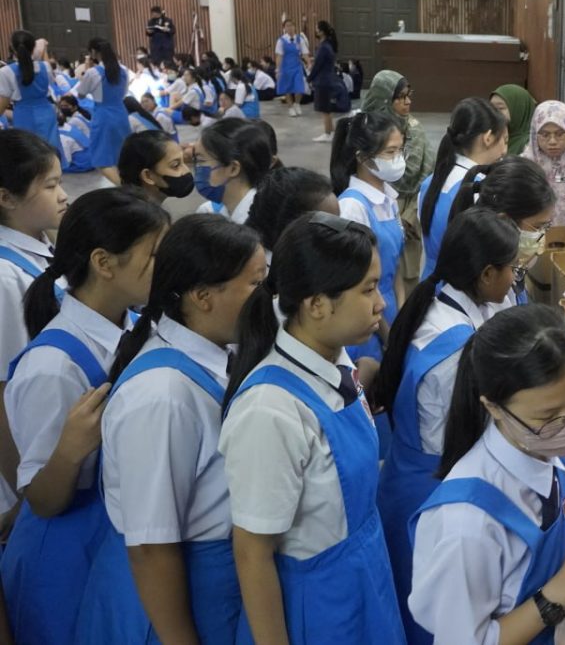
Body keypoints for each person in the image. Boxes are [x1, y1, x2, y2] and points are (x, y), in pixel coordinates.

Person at [76, 215, 265, 644]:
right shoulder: (162, 396)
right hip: (171, 602)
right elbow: (150, 547)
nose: (267, 297)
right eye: (255, 284)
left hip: (210, 581)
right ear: (202, 296)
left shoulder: (215, 356)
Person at [220, 211, 405, 644]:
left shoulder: (335, 358)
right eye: (368, 289)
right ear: (317, 304)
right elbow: (253, 554)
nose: (380, 304)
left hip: (365, 575)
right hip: (319, 608)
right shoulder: (270, 409)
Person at [2, 188, 169, 645]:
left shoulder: (139, 327)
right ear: (104, 262)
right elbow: (41, 500)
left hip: (111, 546)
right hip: (65, 561)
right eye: (156, 255)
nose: (168, 266)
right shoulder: (53, 366)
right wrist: (70, 450)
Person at [408, 304, 565, 644]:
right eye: (548, 417)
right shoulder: (467, 524)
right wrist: (564, 586)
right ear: (493, 407)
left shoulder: (552, 449)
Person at [372, 208, 521, 644]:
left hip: (409, 476)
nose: (514, 279)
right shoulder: (458, 349)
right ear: (487, 273)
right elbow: (475, 436)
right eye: (511, 269)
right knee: (437, 619)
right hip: (431, 491)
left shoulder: (438, 300)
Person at [0, 130, 66, 541]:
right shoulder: (6, 279)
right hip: (22, 470)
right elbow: (1, 392)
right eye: (51, 186)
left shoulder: (40, 246)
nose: (63, 195)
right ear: (6, 198)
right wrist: (23, 493)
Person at [330, 111, 406, 373]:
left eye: (400, 150)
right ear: (363, 157)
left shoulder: (389, 198)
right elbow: (356, 281)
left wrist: (401, 313)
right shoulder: (352, 207)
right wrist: (387, 334)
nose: (398, 159)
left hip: (389, 308)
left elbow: (395, 266)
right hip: (366, 317)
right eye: (390, 152)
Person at [360, 71, 434, 298]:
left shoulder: (413, 130)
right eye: (400, 97)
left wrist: (410, 215)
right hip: (371, 205)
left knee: (406, 278)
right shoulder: (362, 128)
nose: (408, 102)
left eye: (409, 95)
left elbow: (424, 176)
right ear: (384, 99)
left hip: (407, 210)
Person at [418, 97, 508, 281]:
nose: (505, 151)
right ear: (488, 138)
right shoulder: (481, 188)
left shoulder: (431, 182)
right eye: (504, 141)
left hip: (429, 282)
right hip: (463, 286)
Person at [451, 156, 557, 305]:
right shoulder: (491, 286)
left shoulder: (508, 272)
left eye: (546, 227)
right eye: (538, 227)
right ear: (504, 221)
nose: (541, 243)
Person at [244, 167, 340, 264]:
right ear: (288, 229)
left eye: (340, 222)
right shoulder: (263, 270)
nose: (342, 234)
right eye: (329, 229)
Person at [69, 38, 132, 185]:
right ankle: (127, 184)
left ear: (93, 52)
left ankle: (124, 187)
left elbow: (81, 94)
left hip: (103, 115)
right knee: (121, 154)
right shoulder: (124, 70)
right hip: (121, 114)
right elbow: (124, 93)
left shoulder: (93, 73)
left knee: (101, 159)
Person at [193, 117, 273, 224]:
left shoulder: (261, 224)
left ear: (233, 169)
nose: (196, 168)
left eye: (201, 161)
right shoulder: (209, 211)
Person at [0, 31, 64, 162]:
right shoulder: (45, 67)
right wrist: (44, 50)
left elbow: (3, 104)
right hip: (46, 113)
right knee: (50, 153)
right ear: (34, 47)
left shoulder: (6, 72)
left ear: (12, 48)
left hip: (24, 114)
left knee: (28, 156)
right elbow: (52, 80)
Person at [117, 130, 193, 205]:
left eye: (184, 161)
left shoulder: (139, 206)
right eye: (175, 165)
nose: (187, 170)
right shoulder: (135, 212)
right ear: (148, 176)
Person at [309, 21, 339, 142]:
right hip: (327, 80)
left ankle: (327, 133)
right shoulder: (328, 45)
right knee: (327, 108)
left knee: (325, 109)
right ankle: (331, 132)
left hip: (323, 81)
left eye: (317, 28)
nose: (315, 30)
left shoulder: (324, 47)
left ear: (321, 32)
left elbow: (317, 66)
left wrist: (309, 78)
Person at [275, 19, 309, 117]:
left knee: (300, 86)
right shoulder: (281, 41)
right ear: (284, 28)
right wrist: (277, 69)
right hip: (285, 67)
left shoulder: (299, 39)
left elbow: (305, 53)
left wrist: (309, 63)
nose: (290, 28)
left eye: (291, 25)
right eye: (287, 26)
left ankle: (297, 103)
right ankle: (290, 107)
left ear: (294, 27)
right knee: (288, 88)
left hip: (297, 66)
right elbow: (279, 56)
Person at [489, 84, 535, 156]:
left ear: (518, 110)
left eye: (500, 108)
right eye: (491, 108)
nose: (493, 112)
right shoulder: (491, 138)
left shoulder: (530, 144)